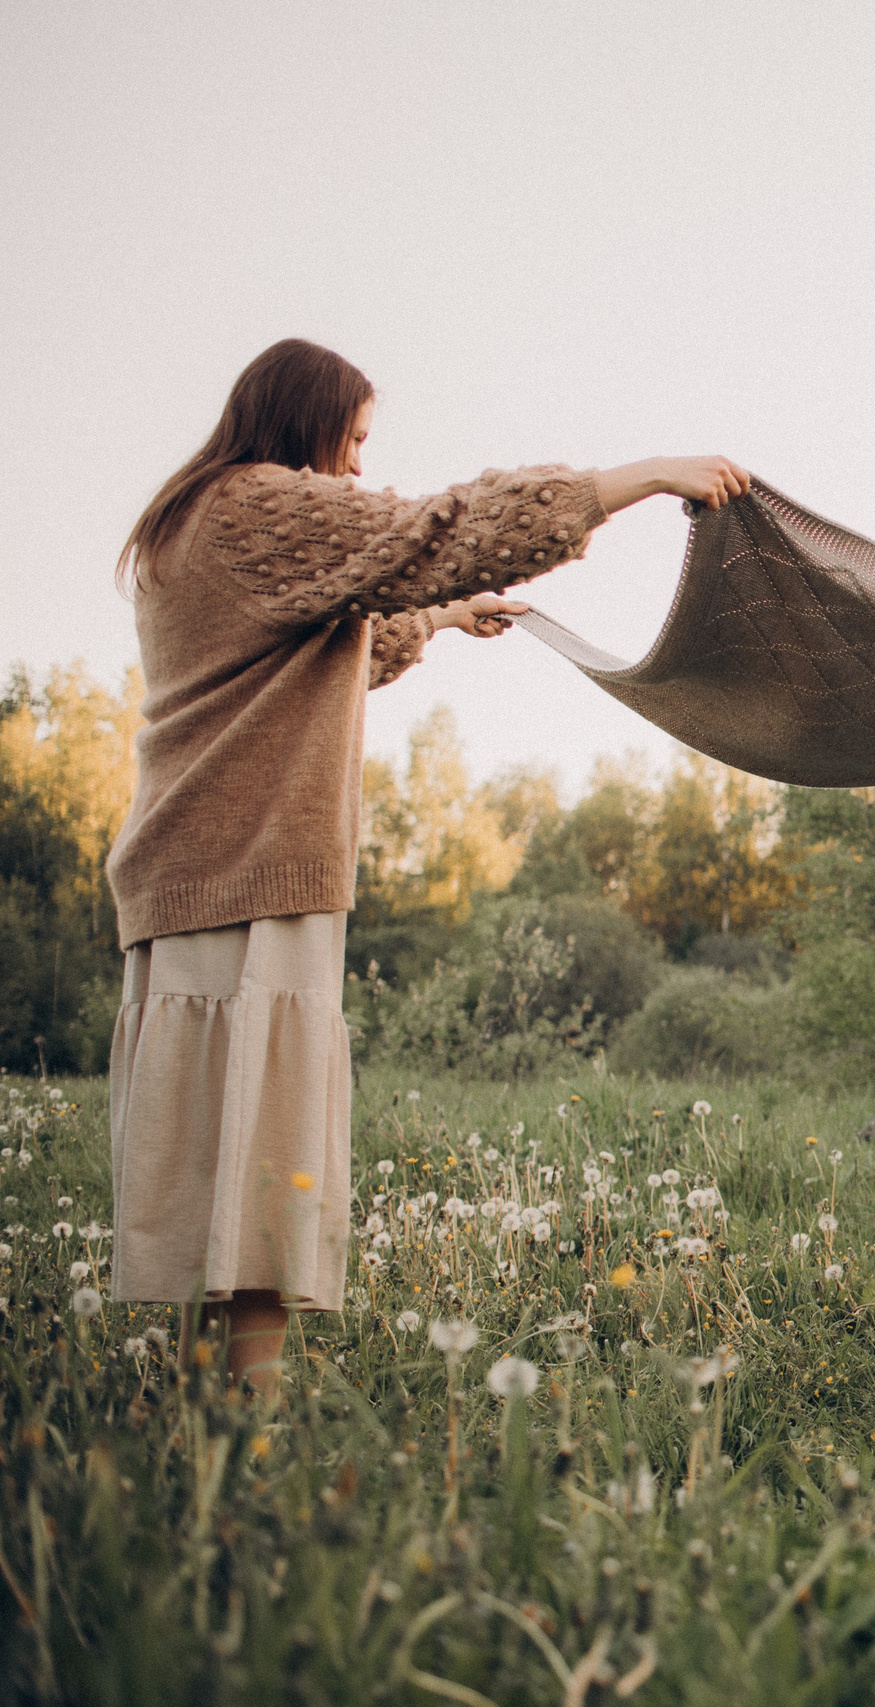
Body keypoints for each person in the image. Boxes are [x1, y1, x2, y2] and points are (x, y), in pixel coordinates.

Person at [107, 336, 750, 1394]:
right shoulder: (259, 504)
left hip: (189, 867)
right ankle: (248, 1418)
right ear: (303, 421)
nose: (359, 466)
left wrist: (442, 621)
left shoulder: (194, 522)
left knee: (210, 1157)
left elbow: (328, 645)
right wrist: (637, 480)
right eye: (353, 439)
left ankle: (198, 1407)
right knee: (261, 1160)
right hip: (251, 866)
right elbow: (439, 533)